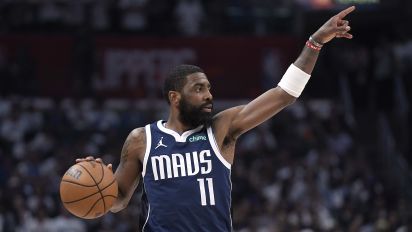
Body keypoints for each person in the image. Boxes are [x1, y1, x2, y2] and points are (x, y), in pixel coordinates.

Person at [76, 6, 355, 232]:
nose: (209, 95)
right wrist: (102, 185)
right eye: (198, 89)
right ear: (175, 97)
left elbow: (284, 94)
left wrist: (315, 42)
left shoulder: (222, 128)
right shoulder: (141, 140)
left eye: (208, 87)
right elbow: (118, 202)